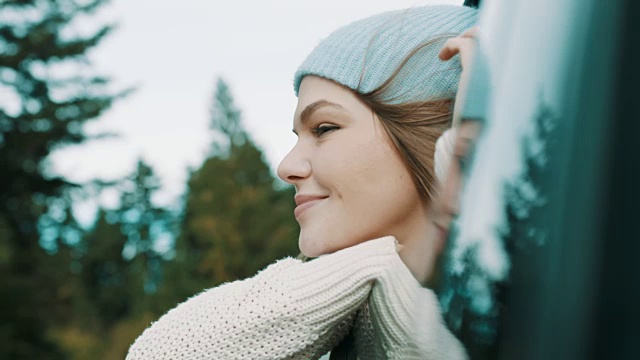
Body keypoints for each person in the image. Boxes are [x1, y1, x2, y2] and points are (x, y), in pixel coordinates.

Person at [126, 5, 478, 360]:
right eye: (298, 136)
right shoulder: (339, 330)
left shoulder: (520, 320)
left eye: (324, 128)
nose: (286, 167)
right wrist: (371, 269)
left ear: (439, 133)